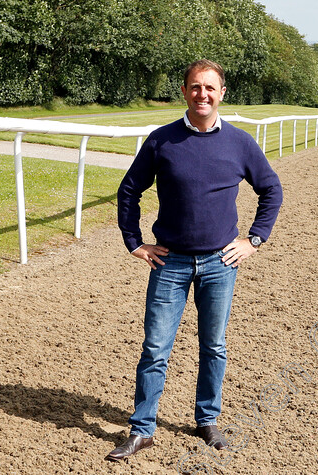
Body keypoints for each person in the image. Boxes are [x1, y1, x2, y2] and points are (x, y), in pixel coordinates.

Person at [105, 59, 282, 462]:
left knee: (214, 346)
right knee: (155, 347)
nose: (202, 94)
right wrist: (134, 242)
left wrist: (254, 240)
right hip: (169, 263)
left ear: (222, 93)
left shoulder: (240, 142)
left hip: (221, 263)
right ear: (184, 92)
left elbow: (271, 190)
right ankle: (142, 429)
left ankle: (207, 420)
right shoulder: (161, 141)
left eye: (210, 88)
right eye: (195, 87)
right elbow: (129, 191)